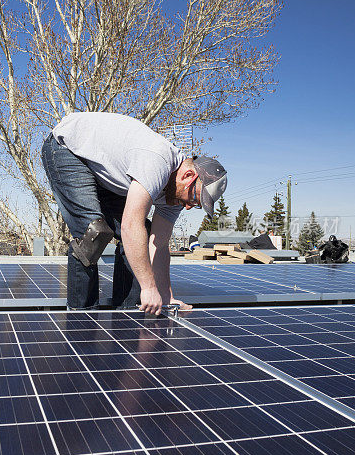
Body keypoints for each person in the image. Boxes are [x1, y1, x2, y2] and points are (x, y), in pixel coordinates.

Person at [42, 112, 228, 316]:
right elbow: (130, 226)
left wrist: (166, 297)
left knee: (144, 236)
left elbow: (160, 244)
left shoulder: (176, 194)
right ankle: (82, 319)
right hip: (68, 149)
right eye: (193, 199)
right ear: (188, 175)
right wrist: (149, 288)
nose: (188, 207)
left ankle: (128, 316)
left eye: (197, 205)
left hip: (103, 171)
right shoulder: (157, 161)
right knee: (93, 234)